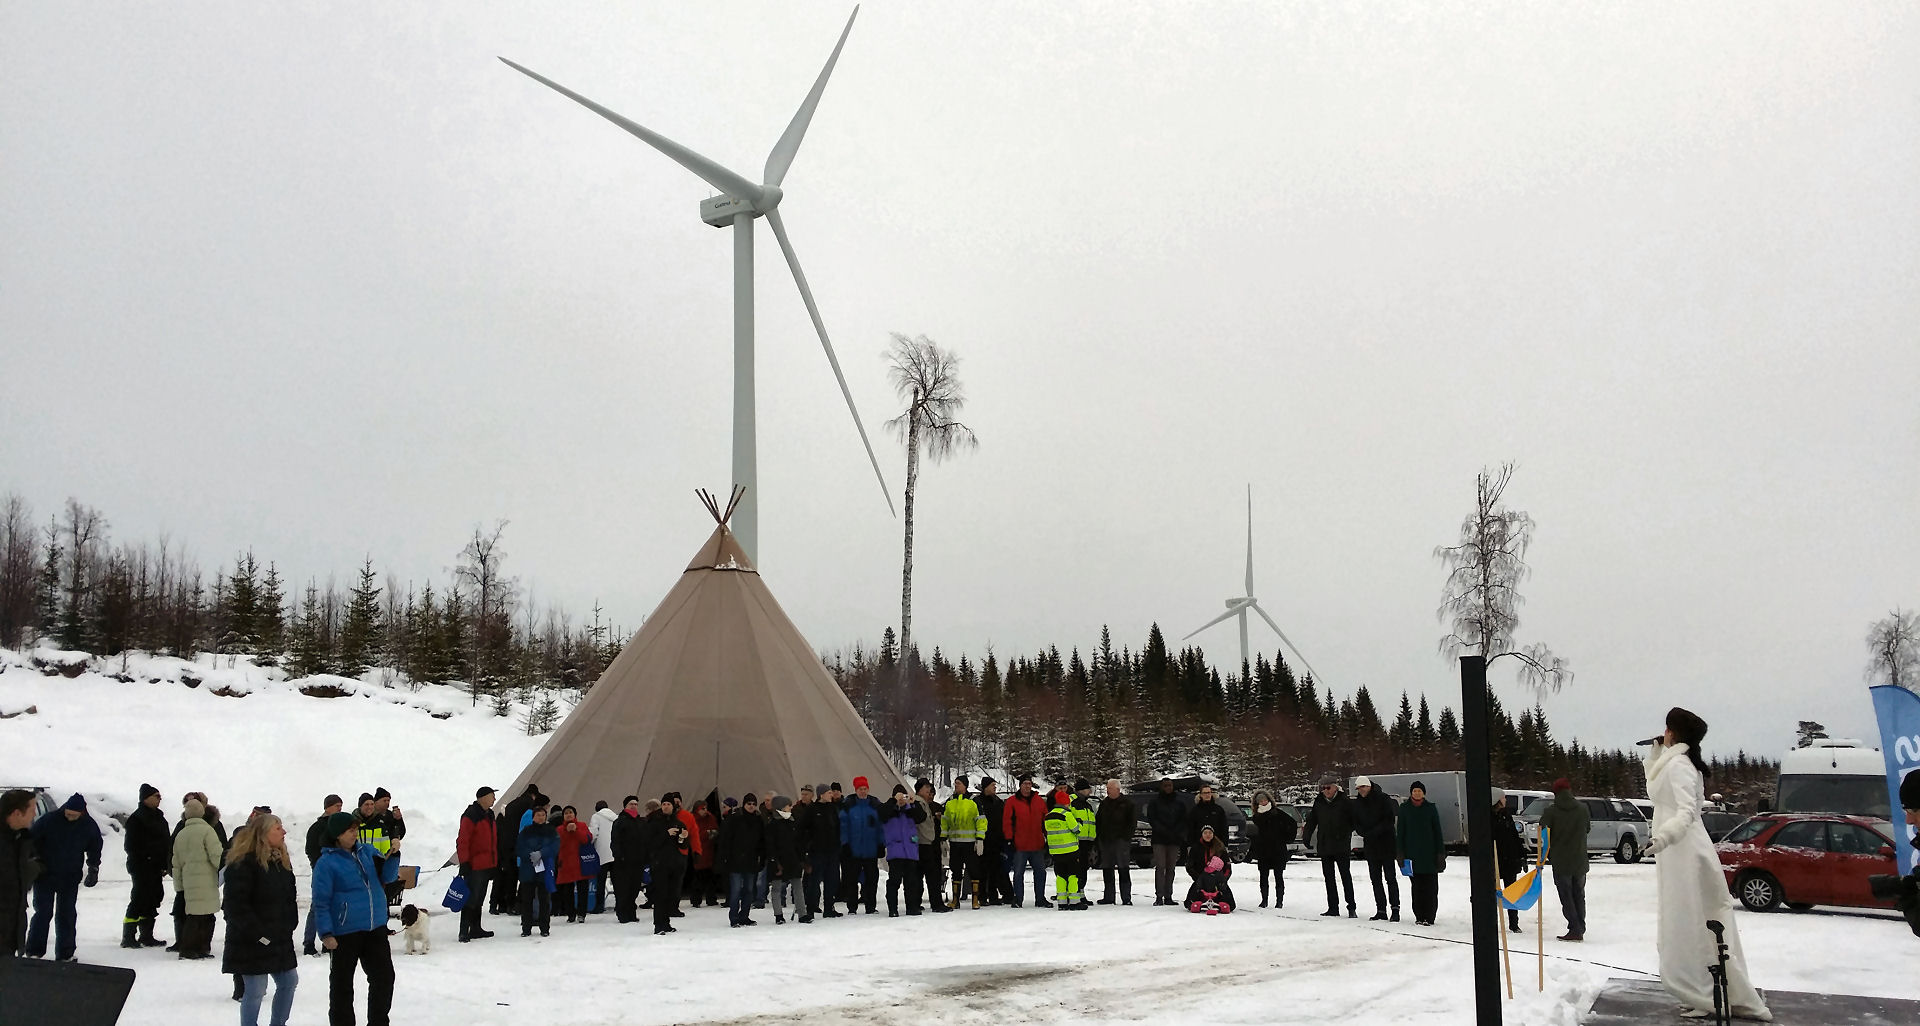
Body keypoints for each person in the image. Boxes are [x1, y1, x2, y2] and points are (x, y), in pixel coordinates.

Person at [1644, 708, 1770, 1021]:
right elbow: (1656, 787)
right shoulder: (1676, 762)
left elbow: (1687, 811)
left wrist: (1663, 837)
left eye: (1667, 729)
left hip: (1686, 853)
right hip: (1678, 854)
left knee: (1694, 923)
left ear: (1674, 732)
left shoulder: (1681, 766)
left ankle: (1708, 993)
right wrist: (1657, 752)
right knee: (1687, 922)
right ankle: (1701, 990)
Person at [312, 810, 399, 1026]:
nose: (354, 834)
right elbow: (321, 902)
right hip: (345, 931)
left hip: (375, 927)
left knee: (384, 978)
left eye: (356, 830)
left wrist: (393, 855)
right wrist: (326, 933)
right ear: (337, 834)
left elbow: (387, 876)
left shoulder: (367, 851)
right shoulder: (326, 863)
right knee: (342, 986)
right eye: (350, 831)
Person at [223, 814, 299, 1026]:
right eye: (278, 828)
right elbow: (235, 905)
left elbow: (289, 897)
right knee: (255, 990)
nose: (283, 832)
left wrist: (290, 923)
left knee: (289, 981)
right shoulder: (243, 862)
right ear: (263, 834)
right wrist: (259, 934)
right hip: (252, 939)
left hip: (280, 937)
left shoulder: (281, 861)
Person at [23, 792, 101, 962]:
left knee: (66, 914)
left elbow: (95, 846)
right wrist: (33, 862)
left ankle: (65, 953)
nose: (69, 816)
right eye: (68, 813)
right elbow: (30, 841)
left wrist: (93, 867)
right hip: (45, 876)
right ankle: (34, 951)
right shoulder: (49, 821)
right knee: (43, 913)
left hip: (70, 877)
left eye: (73, 815)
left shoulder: (88, 825)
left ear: (82, 813)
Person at [1536, 777, 1590, 942]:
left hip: (1561, 861)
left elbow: (1543, 832)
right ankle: (1580, 925)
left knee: (1566, 896)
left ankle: (1574, 928)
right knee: (1579, 894)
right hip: (1580, 860)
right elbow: (1587, 829)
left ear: (1556, 793)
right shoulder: (1583, 809)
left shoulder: (1551, 811)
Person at [173, 798, 224, 960]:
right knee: (208, 916)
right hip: (206, 880)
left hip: (189, 881)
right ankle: (202, 948)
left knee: (193, 916)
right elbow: (217, 856)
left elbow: (176, 862)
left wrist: (179, 885)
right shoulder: (208, 831)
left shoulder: (181, 834)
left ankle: (187, 948)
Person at [122, 782, 171, 949]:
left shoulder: (160, 818)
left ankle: (146, 935)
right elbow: (131, 845)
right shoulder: (136, 819)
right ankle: (128, 936)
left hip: (157, 867)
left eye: (160, 796)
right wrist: (147, 857)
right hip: (141, 866)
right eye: (156, 796)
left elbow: (165, 842)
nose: (159, 799)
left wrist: (165, 863)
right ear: (145, 798)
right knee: (138, 898)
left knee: (154, 898)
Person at [1395, 781, 1446, 926]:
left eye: (1419, 791)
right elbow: (1401, 832)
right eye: (1414, 791)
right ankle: (1419, 915)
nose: (1417, 793)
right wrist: (1400, 853)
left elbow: (1437, 831)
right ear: (1411, 793)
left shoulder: (1430, 808)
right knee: (1417, 888)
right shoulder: (1404, 809)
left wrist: (1440, 853)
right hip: (1412, 855)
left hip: (1429, 854)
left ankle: (1429, 916)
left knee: (1430, 888)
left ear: (1424, 793)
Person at [1350, 777, 1400, 922]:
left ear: (1369, 786)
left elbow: (1388, 821)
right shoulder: (1358, 803)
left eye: (1364, 787)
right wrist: (1363, 832)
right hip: (1371, 846)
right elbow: (1356, 822)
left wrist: (1373, 832)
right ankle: (1381, 910)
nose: (1362, 790)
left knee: (1390, 878)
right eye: (1359, 788)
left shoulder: (1383, 799)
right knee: (1375, 879)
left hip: (1387, 843)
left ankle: (1395, 909)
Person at [455, 787, 499, 942]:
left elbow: (493, 841)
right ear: (483, 797)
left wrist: (494, 863)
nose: (494, 799)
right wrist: (464, 862)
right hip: (474, 864)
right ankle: (464, 930)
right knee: (471, 898)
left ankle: (475, 928)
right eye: (492, 796)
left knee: (480, 897)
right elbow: (463, 840)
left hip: (487, 863)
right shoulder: (471, 815)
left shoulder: (489, 814)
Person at [302, 795, 343, 955]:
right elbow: (310, 849)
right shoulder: (317, 828)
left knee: (334, 907)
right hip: (321, 872)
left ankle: (328, 942)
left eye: (341, 805)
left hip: (338, 873)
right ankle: (308, 942)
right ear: (327, 807)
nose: (339, 808)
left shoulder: (340, 826)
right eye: (336, 805)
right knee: (317, 907)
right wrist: (319, 866)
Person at [1002, 775, 1051, 908]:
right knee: (1018, 874)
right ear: (1020, 785)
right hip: (1020, 845)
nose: (1027, 786)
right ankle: (1018, 899)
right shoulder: (1012, 802)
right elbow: (1007, 821)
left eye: (1029, 783)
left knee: (1041, 872)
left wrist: (1048, 837)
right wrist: (1009, 839)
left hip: (1037, 844)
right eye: (1025, 783)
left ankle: (1040, 898)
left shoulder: (1039, 801)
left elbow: (1045, 820)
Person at [2, 789, 41, 957]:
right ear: (17, 813)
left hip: (11, 927)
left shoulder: (21, 839)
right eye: (32, 809)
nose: (34, 814)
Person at [719, 793, 768, 927]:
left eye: (753, 804)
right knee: (735, 891)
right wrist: (725, 858)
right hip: (736, 861)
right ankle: (734, 917)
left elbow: (762, 841)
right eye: (749, 804)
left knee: (749, 890)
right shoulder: (735, 819)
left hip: (751, 861)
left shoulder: (758, 820)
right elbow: (725, 840)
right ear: (744, 804)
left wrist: (761, 858)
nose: (751, 806)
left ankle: (744, 916)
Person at [643, 796, 690, 935]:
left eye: (668, 804)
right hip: (659, 864)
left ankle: (666, 923)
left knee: (670, 894)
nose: (665, 806)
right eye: (663, 804)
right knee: (660, 895)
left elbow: (683, 845)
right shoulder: (654, 822)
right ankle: (659, 925)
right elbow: (650, 843)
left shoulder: (678, 823)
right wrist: (666, 834)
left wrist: (683, 837)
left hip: (673, 864)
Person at [841, 777, 885, 915]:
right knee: (851, 879)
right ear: (856, 790)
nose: (863, 791)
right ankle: (852, 907)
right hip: (853, 850)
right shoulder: (848, 804)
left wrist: (881, 844)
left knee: (871, 879)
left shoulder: (874, 804)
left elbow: (880, 826)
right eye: (860, 789)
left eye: (865, 789)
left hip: (870, 849)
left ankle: (870, 906)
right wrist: (845, 843)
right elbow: (843, 826)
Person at [494, 784, 540, 916]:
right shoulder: (528, 805)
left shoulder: (513, 803)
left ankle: (502, 904)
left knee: (507, 876)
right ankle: (514, 905)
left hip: (505, 843)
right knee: (518, 876)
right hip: (518, 844)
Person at [941, 777, 986, 910]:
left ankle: (975, 899)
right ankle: (955, 900)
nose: (956, 786)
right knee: (955, 871)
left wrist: (980, 839)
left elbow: (981, 820)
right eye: (955, 783)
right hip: (955, 843)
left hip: (970, 843)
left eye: (958, 784)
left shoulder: (973, 801)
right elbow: (945, 821)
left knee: (974, 871)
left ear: (965, 785)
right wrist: (943, 838)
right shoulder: (950, 801)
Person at [880, 784, 925, 916]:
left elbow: (921, 817)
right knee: (894, 881)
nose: (901, 799)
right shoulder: (888, 809)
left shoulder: (910, 809)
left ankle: (912, 908)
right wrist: (894, 802)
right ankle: (893, 909)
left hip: (910, 851)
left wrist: (912, 803)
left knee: (911, 882)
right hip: (895, 851)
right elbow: (882, 814)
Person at [358, 788, 406, 908]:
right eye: (384, 800)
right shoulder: (354, 822)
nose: (387, 803)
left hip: (378, 866)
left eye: (389, 800)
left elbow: (396, 835)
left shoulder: (383, 820)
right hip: (359, 868)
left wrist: (398, 823)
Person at [798, 784, 841, 920]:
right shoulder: (812, 809)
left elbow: (837, 828)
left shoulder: (833, 808)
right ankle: (810, 908)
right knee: (814, 881)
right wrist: (807, 846)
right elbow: (802, 829)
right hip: (817, 851)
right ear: (821, 794)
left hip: (832, 851)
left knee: (832, 880)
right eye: (829, 793)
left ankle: (829, 907)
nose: (831, 795)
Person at [1248, 791, 1295, 910]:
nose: (1263, 802)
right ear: (1257, 803)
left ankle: (1279, 901)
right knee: (1263, 876)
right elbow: (1254, 835)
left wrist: (1286, 839)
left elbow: (1292, 824)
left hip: (1278, 849)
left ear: (1269, 800)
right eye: (1260, 801)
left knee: (1278, 876)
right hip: (1263, 850)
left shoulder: (1278, 813)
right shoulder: (1256, 817)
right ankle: (1264, 900)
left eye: (1265, 800)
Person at [516, 806, 559, 937]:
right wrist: (530, 855)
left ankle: (544, 927)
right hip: (528, 869)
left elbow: (555, 846)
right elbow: (519, 847)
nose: (541, 817)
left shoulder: (551, 831)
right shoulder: (526, 831)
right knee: (527, 900)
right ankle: (526, 927)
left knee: (544, 900)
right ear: (533, 817)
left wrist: (541, 853)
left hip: (544, 869)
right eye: (538, 815)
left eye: (543, 815)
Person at [1491, 787, 1528, 934]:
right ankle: (1491, 921)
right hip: (1495, 860)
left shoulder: (1507, 815)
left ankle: (1514, 923)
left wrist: (1522, 856)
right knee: (1492, 892)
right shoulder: (1488, 817)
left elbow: (1514, 837)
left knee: (1511, 892)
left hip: (1510, 861)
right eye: (1503, 798)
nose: (1505, 800)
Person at [1095, 778, 1138, 906]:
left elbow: (1132, 823)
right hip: (1106, 841)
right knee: (1107, 869)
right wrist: (1100, 837)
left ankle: (1126, 897)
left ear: (1117, 789)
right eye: (1107, 788)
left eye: (1110, 788)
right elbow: (1099, 821)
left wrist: (1125, 838)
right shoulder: (1104, 803)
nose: (1107, 790)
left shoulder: (1128, 804)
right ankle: (1109, 896)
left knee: (1123, 869)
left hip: (1121, 841)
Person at [1145, 778, 1187, 906]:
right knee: (1160, 867)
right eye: (1165, 786)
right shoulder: (1155, 802)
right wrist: (1164, 830)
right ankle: (1159, 896)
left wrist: (1176, 832)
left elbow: (1183, 820)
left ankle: (1168, 896)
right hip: (1159, 838)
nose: (1168, 788)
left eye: (1170, 785)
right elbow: (1152, 819)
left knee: (1171, 868)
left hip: (1174, 839)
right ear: (1161, 787)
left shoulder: (1179, 803)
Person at [1042, 788, 1085, 910]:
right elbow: (1077, 830)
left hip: (1056, 852)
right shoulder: (1067, 815)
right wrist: (1079, 823)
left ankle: (1062, 902)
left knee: (1060, 876)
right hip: (1070, 851)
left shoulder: (1048, 816)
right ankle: (1074, 902)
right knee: (1073, 875)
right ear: (1066, 803)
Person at [912, 779, 950, 912]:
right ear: (919, 789)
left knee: (924, 874)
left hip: (926, 842)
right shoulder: (917, 802)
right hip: (924, 843)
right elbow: (920, 819)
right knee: (931, 875)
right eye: (926, 787)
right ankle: (935, 904)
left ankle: (917, 902)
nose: (928, 790)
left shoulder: (924, 803)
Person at [610, 796, 648, 923]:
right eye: (631, 804)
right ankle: (622, 914)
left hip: (638, 861)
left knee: (634, 888)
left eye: (636, 804)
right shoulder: (620, 821)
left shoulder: (641, 821)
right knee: (623, 889)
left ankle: (631, 912)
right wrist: (619, 856)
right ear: (625, 805)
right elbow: (615, 841)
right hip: (623, 861)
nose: (634, 806)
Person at [1184, 823, 1237, 913]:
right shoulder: (1196, 847)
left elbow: (1227, 866)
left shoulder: (1220, 847)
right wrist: (1197, 878)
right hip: (1201, 879)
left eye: (1210, 833)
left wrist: (1223, 880)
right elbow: (1189, 866)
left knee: (1231, 905)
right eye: (1205, 833)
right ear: (1202, 834)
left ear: (1213, 834)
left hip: (1218, 880)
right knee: (1189, 903)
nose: (1208, 835)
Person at [766, 795, 802, 924]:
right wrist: (775, 861)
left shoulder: (792, 822)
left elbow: (798, 842)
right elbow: (770, 845)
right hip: (778, 861)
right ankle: (778, 914)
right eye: (788, 806)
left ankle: (802, 913)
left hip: (793, 859)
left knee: (797, 885)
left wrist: (801, 858)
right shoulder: (772, 825)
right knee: (776, 888)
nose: (790, 808)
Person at [555, 806, 594, 924]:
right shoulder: (559, 829)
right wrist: (566, 831)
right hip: (566, 863)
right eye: (566, 813)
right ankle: (571, 914)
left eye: (570, 812)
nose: (568, 815)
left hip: (581, 862)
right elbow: (557, 844)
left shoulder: (582, 825)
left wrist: (576, 830)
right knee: (567, 892)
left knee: (583, 890)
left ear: (575, 814)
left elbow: (587, 839)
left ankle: (581, 913)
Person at [976, 777, 1012, 905]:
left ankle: (993, 895)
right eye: (992, 785)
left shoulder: (998, 802)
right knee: (982, 870)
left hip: (997, 840)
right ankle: (982, 896)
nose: (995, 788)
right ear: (985, 787)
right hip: (983, 840)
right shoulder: (978, 801)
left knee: (995, 869)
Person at [689, 798, 721, 907]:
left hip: (710, 851)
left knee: (710, 877)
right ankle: (696, 900)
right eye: (702, 808)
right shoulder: (693, 819)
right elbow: (694, 835)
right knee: (699, 877)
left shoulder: (710, 818)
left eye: (706, 808)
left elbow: (715, 831)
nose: (705, 810)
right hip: (698, 851)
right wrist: (707, 834)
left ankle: (711, 898)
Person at [589, 799, 618, 916]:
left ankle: (599, 905)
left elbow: (593, 833)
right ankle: (619, 903)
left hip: (601, 853)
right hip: (615, 853)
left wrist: (589, 843)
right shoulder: (616, 817)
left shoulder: (596, 817)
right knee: (617, 881)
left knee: (600, 881)